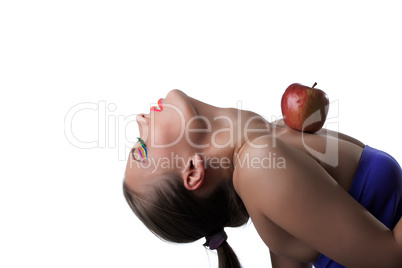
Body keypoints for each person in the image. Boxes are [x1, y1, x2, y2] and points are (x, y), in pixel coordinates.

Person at [123, 89, 402, 268]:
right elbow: (392, 257)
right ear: (192, 171)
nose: (140, 119)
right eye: (143, 147)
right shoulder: (260, 168)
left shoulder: (264, 153)